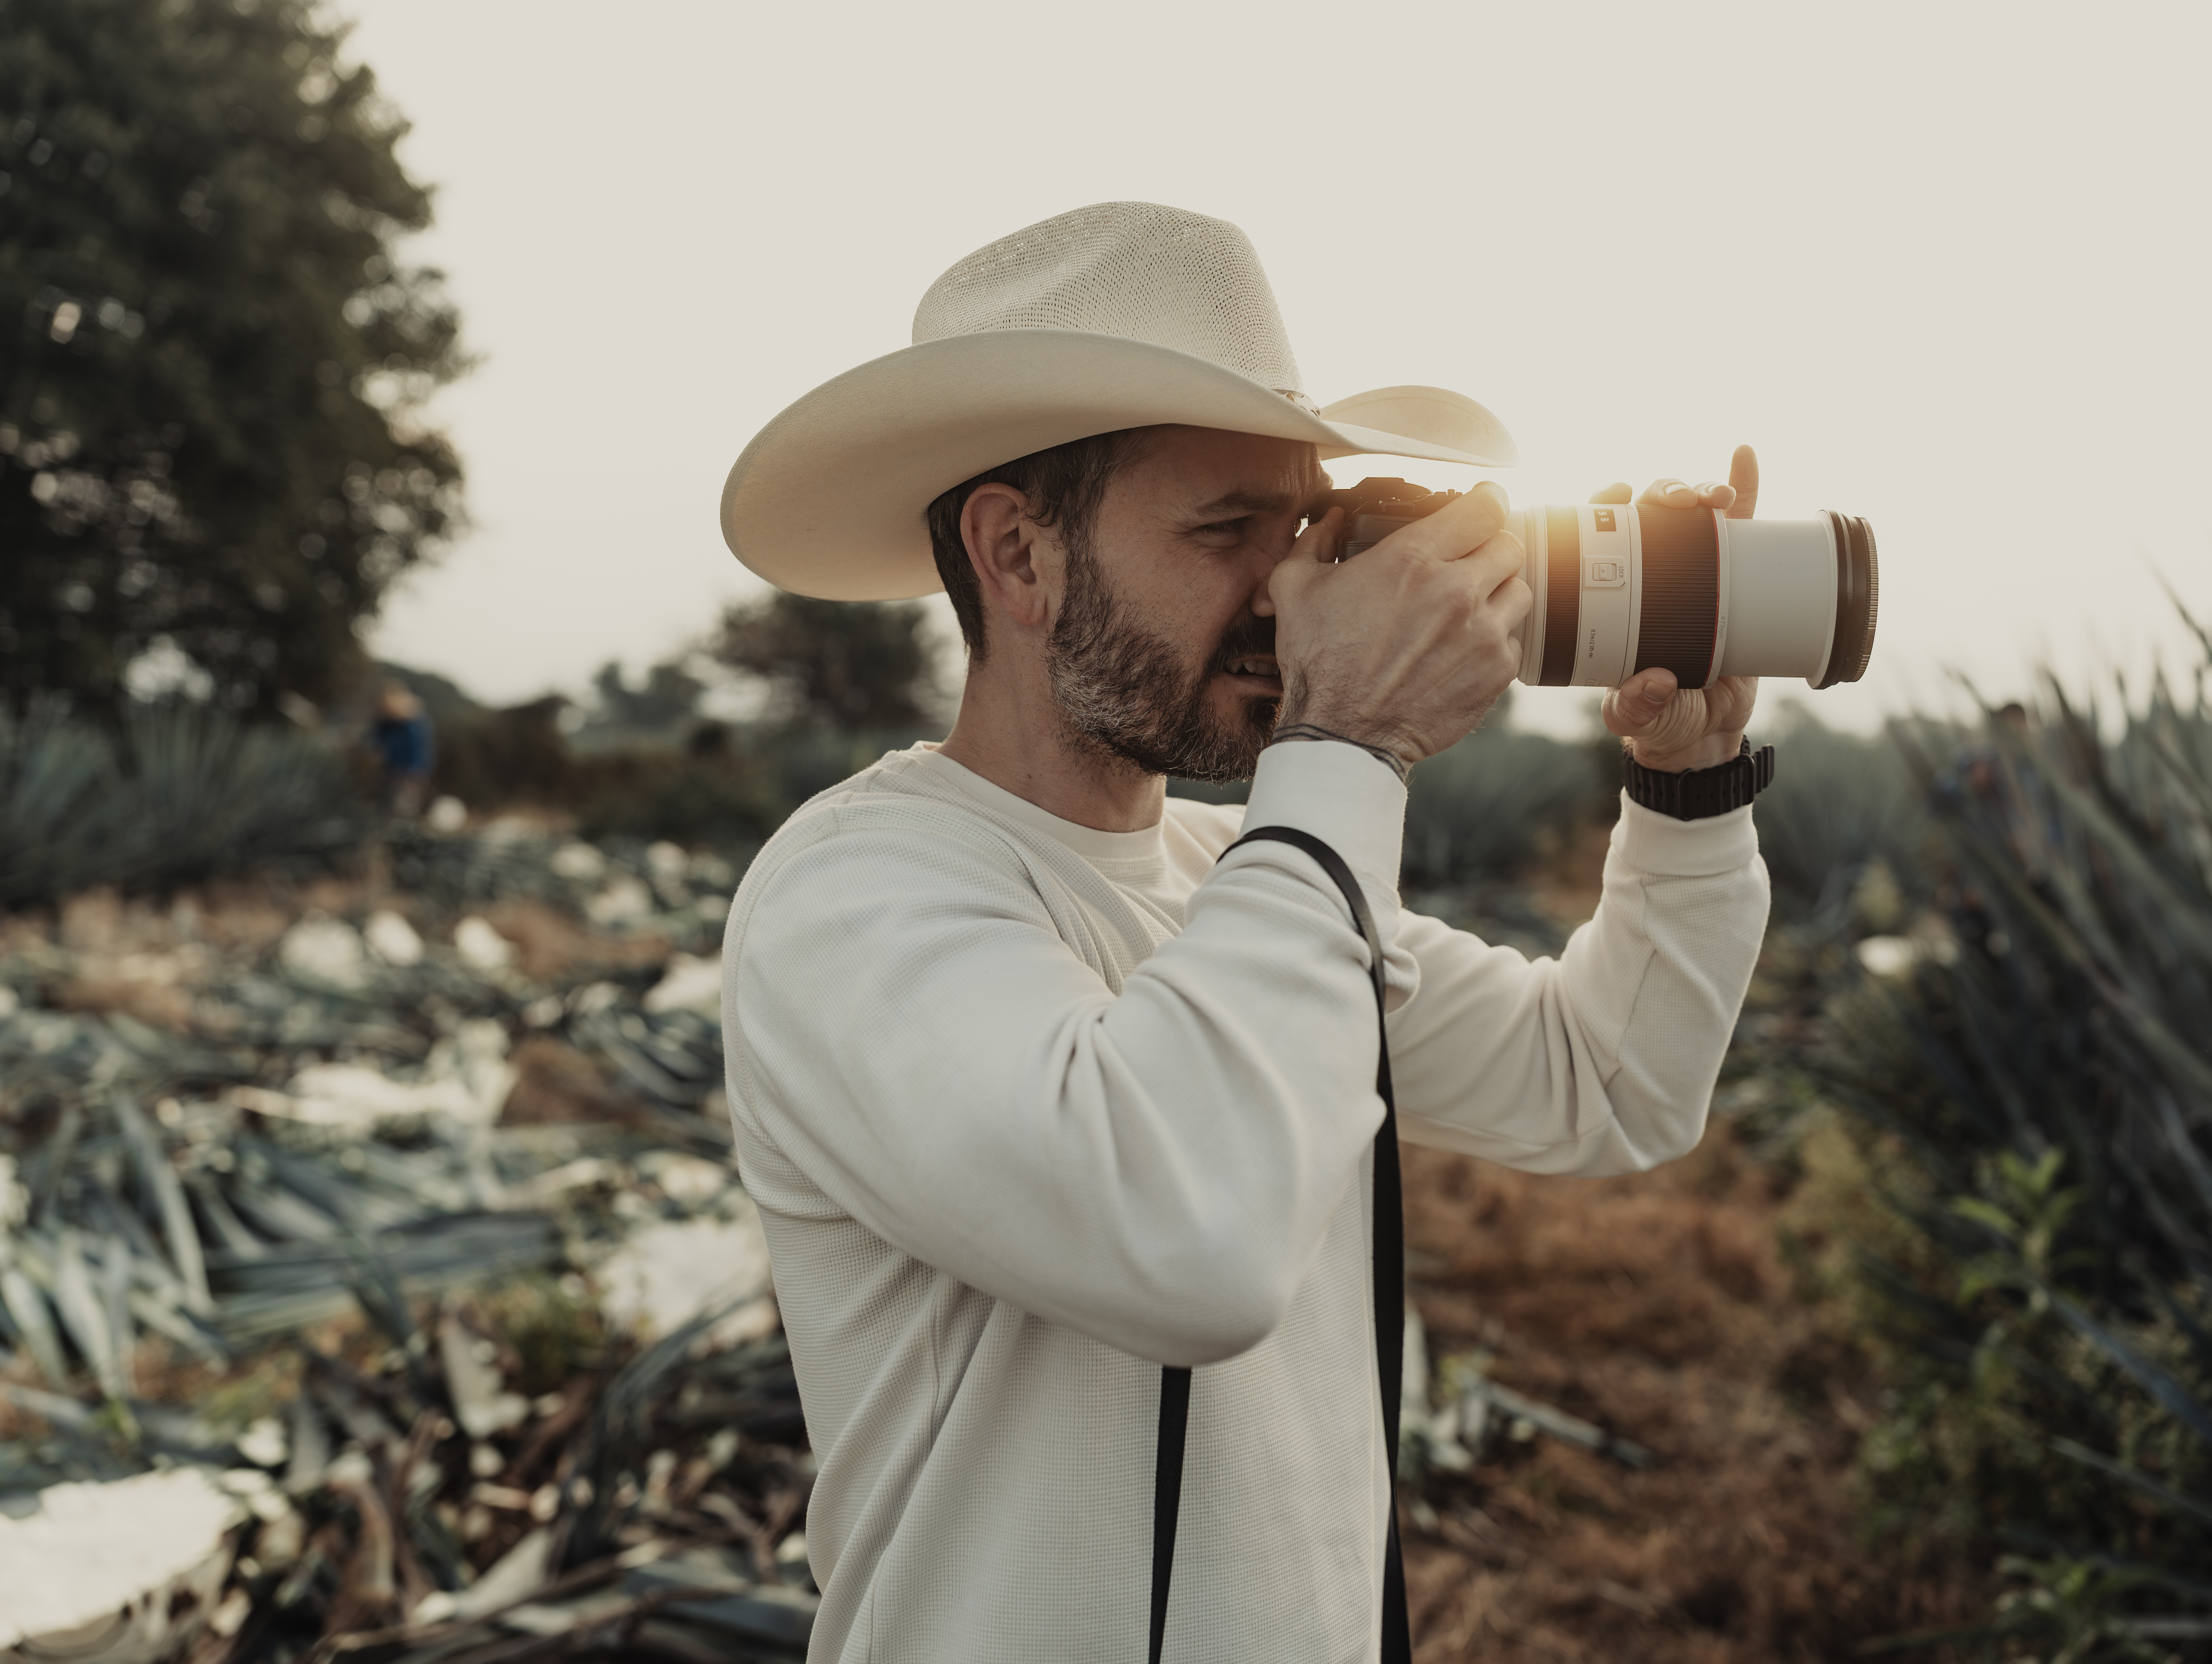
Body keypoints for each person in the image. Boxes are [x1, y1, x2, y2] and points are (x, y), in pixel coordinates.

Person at [717, 202, 1772, 1663]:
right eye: (1225, 529)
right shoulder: (849, 900)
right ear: (1017, 554)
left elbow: (1612, 1083)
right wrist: (1352, 741)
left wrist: (1689, 786)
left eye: (1304, 528)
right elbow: (1188, 1240)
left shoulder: (1249, 870)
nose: (1289, 590)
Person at [367, 682, 434, 817]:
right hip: (391, 770)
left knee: (403, 808)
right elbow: (374, 739)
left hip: (410, 772)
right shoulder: (387, 722)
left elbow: (420, 750)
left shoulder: (415, 721)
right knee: (388, 806)